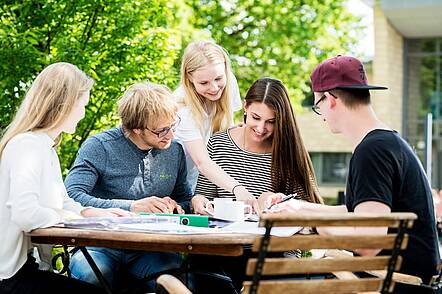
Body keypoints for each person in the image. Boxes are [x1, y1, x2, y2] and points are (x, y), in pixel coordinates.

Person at [271, 55, 440, 293]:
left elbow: (368, 243)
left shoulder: (372, 152)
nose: (321, 114)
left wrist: (312, 221)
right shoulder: (388, 142)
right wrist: (298, 208)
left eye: (317, 105)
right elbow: (357, 212)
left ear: (330, 99)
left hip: (396, 284)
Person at [0, 62, 129, 294]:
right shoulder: (27, 146)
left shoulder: (45, 147)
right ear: (64, 105)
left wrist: (94, 214)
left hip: (27, 269)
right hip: (9, 278)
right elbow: (25, 213)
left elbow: (63, 203)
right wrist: (67, 217)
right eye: (83, 105)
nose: (83, 113)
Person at [190, 77, 323, 293]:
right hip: (218, 253)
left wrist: (277, 202)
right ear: (245, 106)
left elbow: (310, 216)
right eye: (256, 117)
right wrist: (199, 202)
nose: (261, 128)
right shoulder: (218, 142)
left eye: (271, 121)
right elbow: (202, 195)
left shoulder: (288, 153)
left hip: (270, 255)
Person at [64, 82, 192, 292]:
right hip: (100, 245)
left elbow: (184, 198)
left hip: (153, 247)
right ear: (136, 129)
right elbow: (71, 196)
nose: (170, 135)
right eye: (161, 130)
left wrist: (176, 205)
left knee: (180, 281)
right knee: (91, 275)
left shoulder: (174, 151)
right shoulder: (99, 147)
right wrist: (131, 207)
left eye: (173, 125)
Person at [173, 40, 259, 210]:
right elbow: (202, 162)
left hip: (210, 182)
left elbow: (225, 133)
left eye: (218, 78)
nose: (214, 88)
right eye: (204, 83)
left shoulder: (227, 85)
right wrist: (238, 189)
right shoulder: (182, 110)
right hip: (182, 186)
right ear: (189, 78)